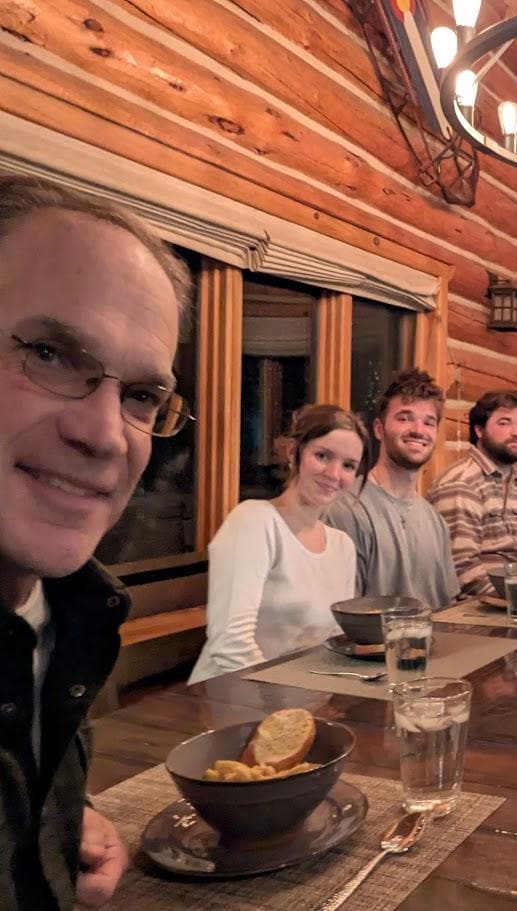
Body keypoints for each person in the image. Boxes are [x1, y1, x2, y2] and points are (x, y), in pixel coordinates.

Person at [0, 176, 192, 908]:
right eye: (49, 353)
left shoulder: (62, 611)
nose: (106, 433)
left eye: (141, 395)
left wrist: (46, 825)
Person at [189, 405, 370, 684]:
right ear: (293, 451)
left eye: (348, 465)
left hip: (302, 701)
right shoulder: (254, 521)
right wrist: (285, 713)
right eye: (322, 456)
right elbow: (229, 643)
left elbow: (332, 642)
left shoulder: (342, 545)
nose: (334, 474)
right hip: (233, 697)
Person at [324, 368, 459, 609]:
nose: (418, 430)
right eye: (404, 418)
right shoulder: (346, 509)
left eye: (429, 422)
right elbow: (340, 616)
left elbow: (446, 608)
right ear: (378, 429)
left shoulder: (436, 522)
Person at [429, 390, 517, 597]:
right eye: (504, 423)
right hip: (477, 610)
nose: (515, 432)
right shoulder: (461, 483)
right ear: (479, 430)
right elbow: (461, 568)